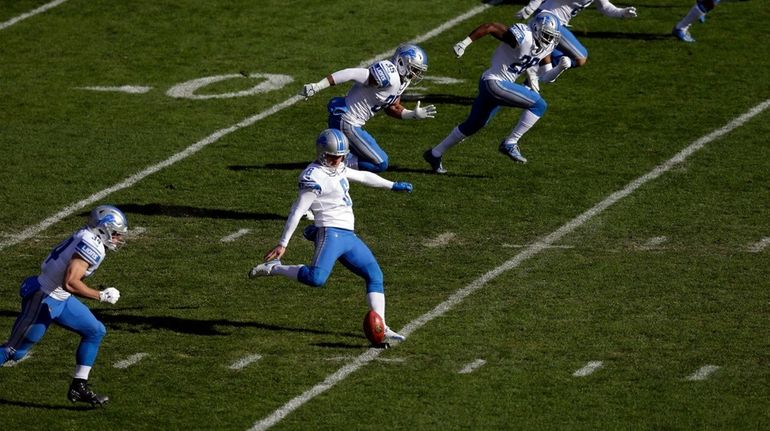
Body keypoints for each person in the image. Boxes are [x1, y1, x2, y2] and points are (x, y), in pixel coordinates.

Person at [249, 129, 412, 342]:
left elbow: (362, 176)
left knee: (375, 275)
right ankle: (275, 268)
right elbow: (298, 210)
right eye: (332, 156)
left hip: (349, 235)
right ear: (321, 153)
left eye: (340, 156)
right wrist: (283, 243)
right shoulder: (314, 176)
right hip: (331, 232)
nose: (336, 161)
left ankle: (381, 326)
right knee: (316, 279)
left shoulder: (340, 167)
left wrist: (391, 185)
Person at [0, 205, 128, 406]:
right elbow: (71, 282)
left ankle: (79, 386)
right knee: (13, 352)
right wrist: (101, 295)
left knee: (95, 331)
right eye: (116, 233)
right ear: (103, 228)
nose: (118, 238)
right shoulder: (92, 245)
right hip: (44, 299)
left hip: (60, 298)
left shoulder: (88, 235)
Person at [423, 13, 568, 173]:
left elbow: (547, 78)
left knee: (473, 125)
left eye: (551, 36)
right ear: (536, 28)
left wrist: (560, 68)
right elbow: (490, 27)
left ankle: (435, 153)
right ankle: (511, 142)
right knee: (539, 105)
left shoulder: (546, 46)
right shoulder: (524, 36)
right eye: (546, 34)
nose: (549, 39)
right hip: (494, 82)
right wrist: (464, 43)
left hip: (497, 86)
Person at [299, 44, 437, 173]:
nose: (416, 74)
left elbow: (392, 107)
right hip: (347, 120)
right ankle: (335, 165)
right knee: (381, 163)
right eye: (414, 69)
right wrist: (318, 86)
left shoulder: (401, 81)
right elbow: (351, 73)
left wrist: (412, 114)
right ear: (402, 62)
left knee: (375, 160)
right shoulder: (389, 74)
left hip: (350, 122)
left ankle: (333, 161)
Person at [515, 0, 637, 72]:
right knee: (580, 57)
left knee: (526, 75)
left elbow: (605, 7)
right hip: (547, 20)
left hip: (557, 23)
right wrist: (529, 8)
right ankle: (537, 64)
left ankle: (534, 66)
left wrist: (622, 13)